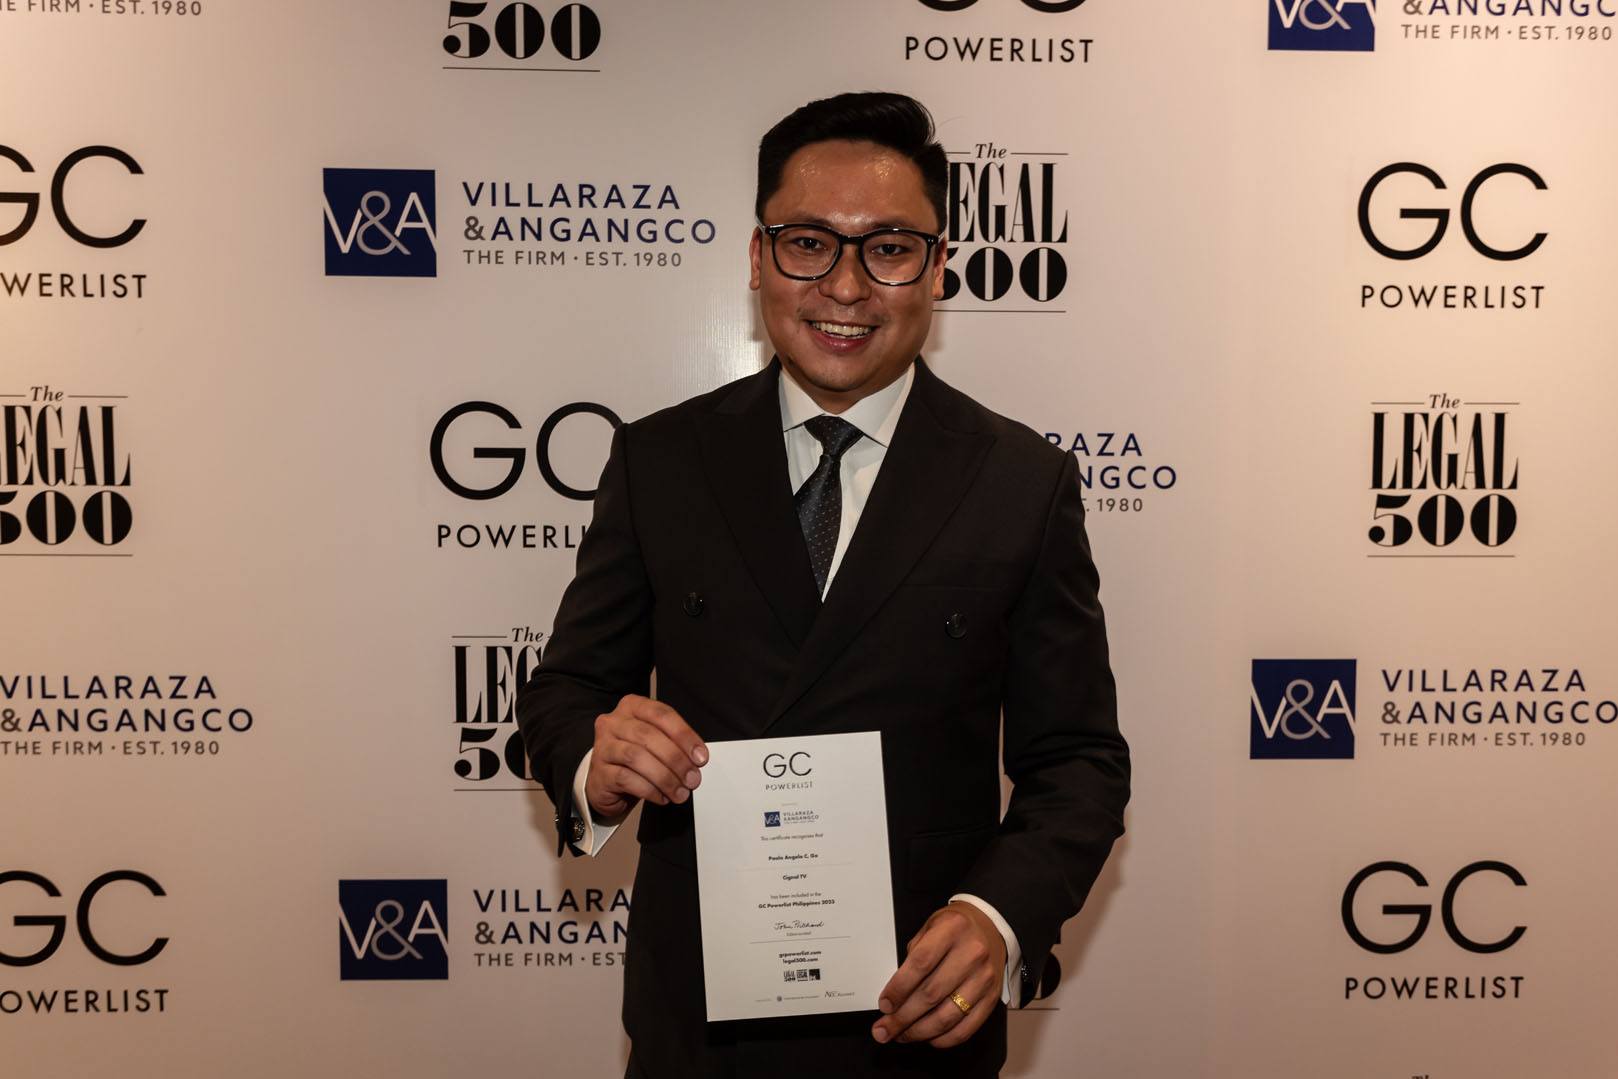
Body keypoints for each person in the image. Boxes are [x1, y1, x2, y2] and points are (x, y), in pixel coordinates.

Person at [516, 91, 1129, 1079]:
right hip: (696, 1029)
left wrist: (997, 915)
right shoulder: (660, 460)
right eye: (808, 243)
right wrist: (597, 755)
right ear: (758, 257)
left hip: (916, 1022)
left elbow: (1078, 760)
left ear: (938, 266)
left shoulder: (1021, 482)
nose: (845, 285)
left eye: (888, 248)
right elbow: (566, 690)